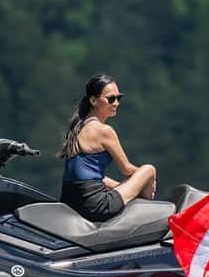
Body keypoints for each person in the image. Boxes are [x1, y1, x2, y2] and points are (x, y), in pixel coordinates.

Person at [56, 73, 157, 222]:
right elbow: (126, 169)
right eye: (111, 99)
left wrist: (124, 186)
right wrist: (145, 181)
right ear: (93, 100)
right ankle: (146, 219)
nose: (116, 103)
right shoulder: (104, 130)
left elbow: (85, 176)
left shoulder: (77, 128)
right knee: (149, 170)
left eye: (118, 98)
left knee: (113, 181)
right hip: (94, 206)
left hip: (71, 200)